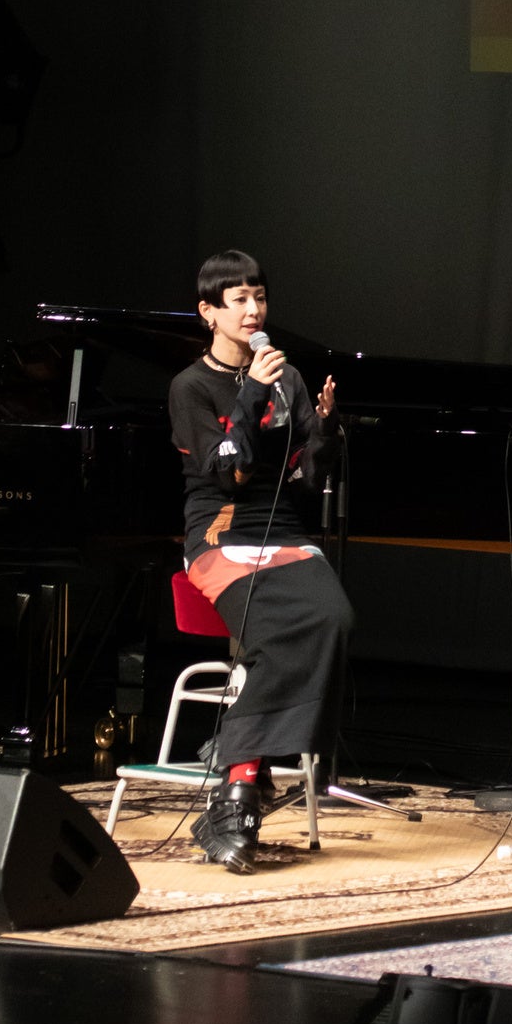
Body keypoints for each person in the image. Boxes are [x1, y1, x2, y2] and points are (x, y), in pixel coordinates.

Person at [166, 248, 354, 872]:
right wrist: (249, 392)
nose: (253, 310)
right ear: (209, 312)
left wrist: (323, 430)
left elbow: (303, 480)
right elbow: (228, 474)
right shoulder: (190, 387)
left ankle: (236, 747)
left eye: (260, 297)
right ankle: (239, 789)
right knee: (275, 635)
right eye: (239, 299)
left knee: (333, 618)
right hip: (220, 533)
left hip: (283, 528)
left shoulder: (288, 378)